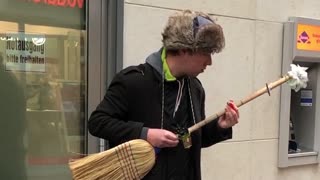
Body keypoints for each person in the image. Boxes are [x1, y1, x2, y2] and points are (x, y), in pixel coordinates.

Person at [88, 9, 239, 180]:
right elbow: (98, 122)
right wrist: (145, 134)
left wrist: (220, 127)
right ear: (184, 49)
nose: (209, 62)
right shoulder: (134, 81)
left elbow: (192, 140)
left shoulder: (195, 88)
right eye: (205, 53)